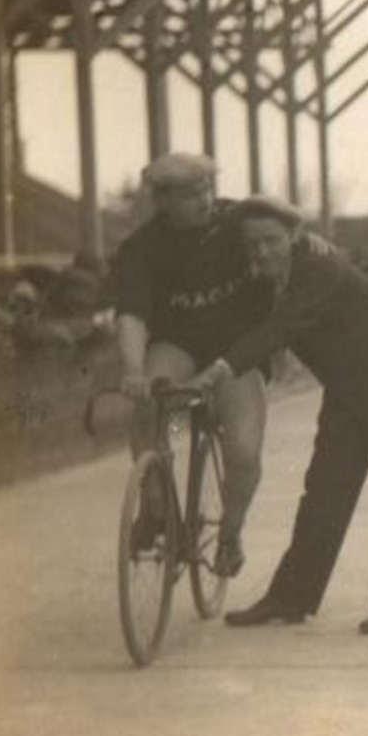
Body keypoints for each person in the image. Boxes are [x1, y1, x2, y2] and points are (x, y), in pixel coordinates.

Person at [192, 197, 368, 635]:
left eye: (272, 241)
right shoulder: (270, 274)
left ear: (295, 237)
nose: (262, 252)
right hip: (346, 384)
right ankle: (291, 597)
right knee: (323, 490)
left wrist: (222, 369)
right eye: (253, 244)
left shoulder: (319, 268)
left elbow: (280, 328)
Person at [113, 153, 274, 577]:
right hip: (179, 345)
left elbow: (286, 241)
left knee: (243, 449)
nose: (204, 201)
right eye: (190, 195)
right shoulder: (141, 247)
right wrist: (133, 372)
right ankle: (155, 506)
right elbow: (131, 314)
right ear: (162, 201)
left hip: (236, 350)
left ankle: (230, 533)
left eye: (207, 189)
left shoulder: (238, 222)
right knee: (149, 396)